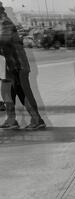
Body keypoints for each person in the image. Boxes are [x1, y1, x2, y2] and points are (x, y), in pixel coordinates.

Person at [0, 2, 45, 130]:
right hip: (8, 67)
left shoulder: (4, 22)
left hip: (18, 65)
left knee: (23, 92)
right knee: (6, 92)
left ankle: (37, 119)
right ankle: (11, 119)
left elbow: (3, 40)